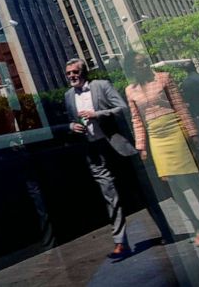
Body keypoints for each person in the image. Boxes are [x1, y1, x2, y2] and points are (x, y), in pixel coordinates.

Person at [63, 57, 173, 260]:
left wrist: (98, 114)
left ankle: (166, 231)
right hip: (94, 152)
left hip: (117, 147)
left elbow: (122, 108)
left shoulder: (101, 86)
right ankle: (120, 244)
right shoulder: (68, 95)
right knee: (110, 197)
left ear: (84, 72)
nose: (71, 76)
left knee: (143, 192)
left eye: (75, 72)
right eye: (68, 73)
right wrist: (71, 126)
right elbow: (69, 119)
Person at [125, 60, 199, 247]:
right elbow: (137, 119)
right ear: (131, 69)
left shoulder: (163, 78)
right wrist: (142, 146)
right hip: (156, 137)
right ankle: (196, 225)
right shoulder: (130, 90)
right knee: (173, 184)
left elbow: (180, 106)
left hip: (176, 129)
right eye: (138, 64)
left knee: (193, 179)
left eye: (143, 62)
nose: (144, 65)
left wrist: (192, 132)